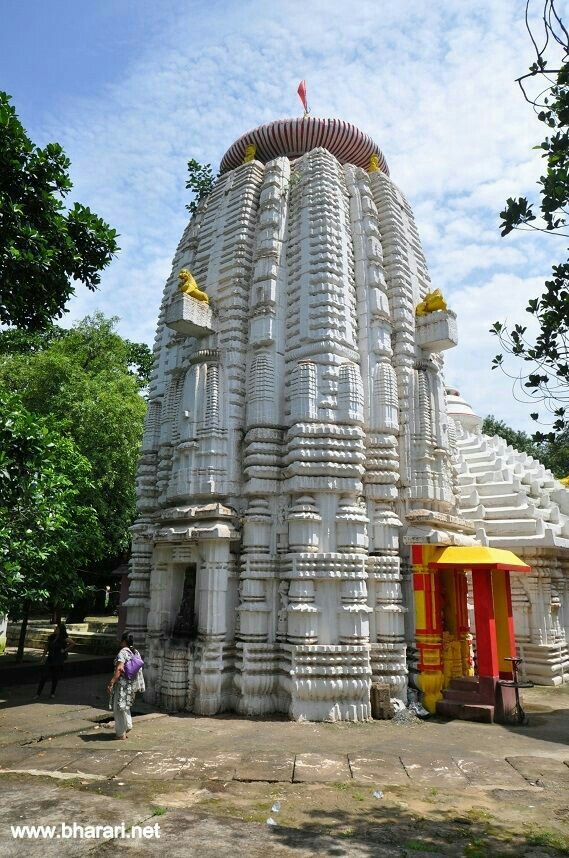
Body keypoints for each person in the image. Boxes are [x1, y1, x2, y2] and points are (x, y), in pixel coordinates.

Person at [107, 632, 145, 739]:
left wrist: (111, 683)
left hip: (122, 685)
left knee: (118, 708)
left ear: (124, 641)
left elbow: (119, 669)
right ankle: (128, 725)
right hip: (131, 685)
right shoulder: (135, 652)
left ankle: (120, 733)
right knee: (126, 706)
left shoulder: (123, 652)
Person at [36, 622, 75, 699]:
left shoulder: (63, 638)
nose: (55, 629)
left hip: (58, 659)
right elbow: (46, 647)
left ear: (61, 630)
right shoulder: (51, 637)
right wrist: (43, 658)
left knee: (55, 676)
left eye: (57, 628)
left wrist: (64, 650)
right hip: (50, 658)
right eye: (55, 628)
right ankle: (38, 693)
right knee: (44, 676)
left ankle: (52, 693)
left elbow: (73, 643)